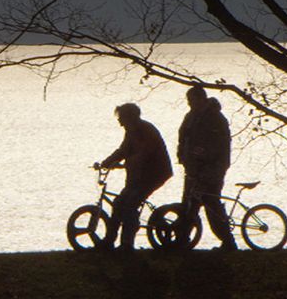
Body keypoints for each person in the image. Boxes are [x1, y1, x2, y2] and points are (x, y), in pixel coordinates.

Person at [96, 103, 173, 252]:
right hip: (138, 175)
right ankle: (109, 241)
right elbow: (123, 150)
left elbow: (144, 153)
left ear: (130, 117)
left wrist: (128, 162)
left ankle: (127, 244)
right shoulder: (131, 131)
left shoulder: (146, 130)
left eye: (122, 118)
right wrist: (107, 162)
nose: (120, 122)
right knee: (118, 203)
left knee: (130, 205)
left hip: (153, 174)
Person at [175, 87, 237, 251]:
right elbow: (183, 137)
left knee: (211, 203)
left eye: (192, 100)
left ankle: (228, 241)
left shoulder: (216, 118)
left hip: (213, 169)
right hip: (193, 168)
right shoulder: (190, 117)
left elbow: (219, 145)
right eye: (188, 101)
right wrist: (182, 156)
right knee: (189, 203)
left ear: (202, 99)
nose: (190, 104)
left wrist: (205, 157)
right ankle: (182, 239)